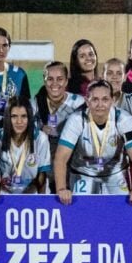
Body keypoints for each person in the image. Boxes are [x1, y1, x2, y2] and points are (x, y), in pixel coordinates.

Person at [53, 79, 132, 204]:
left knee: (121, 213)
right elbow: (61, 157)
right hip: (83, 174)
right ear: (87, 101)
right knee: (81, 212)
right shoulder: (76, 120)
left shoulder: (124, 119)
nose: (100, 104)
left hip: (115, 174)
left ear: (112, 100)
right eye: (95, 99)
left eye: (105, 99)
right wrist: (62, 189)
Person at [32, 61, 86, 189]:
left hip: (72, 161)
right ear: (44, 81)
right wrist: (39, 129)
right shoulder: (34, 104)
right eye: (50, 79)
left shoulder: (78, 103)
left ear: (66, 81)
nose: (55, 83)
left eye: (60, 79)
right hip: (43, 162)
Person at [0, 95, 50, 194]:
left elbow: (42, 175)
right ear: (7, 118)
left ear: (30, 117)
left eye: (24, 116)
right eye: (14, 116)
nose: (19, 122)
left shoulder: (40, 138)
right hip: (5, 194)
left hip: (32, 194)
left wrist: (42, 202)